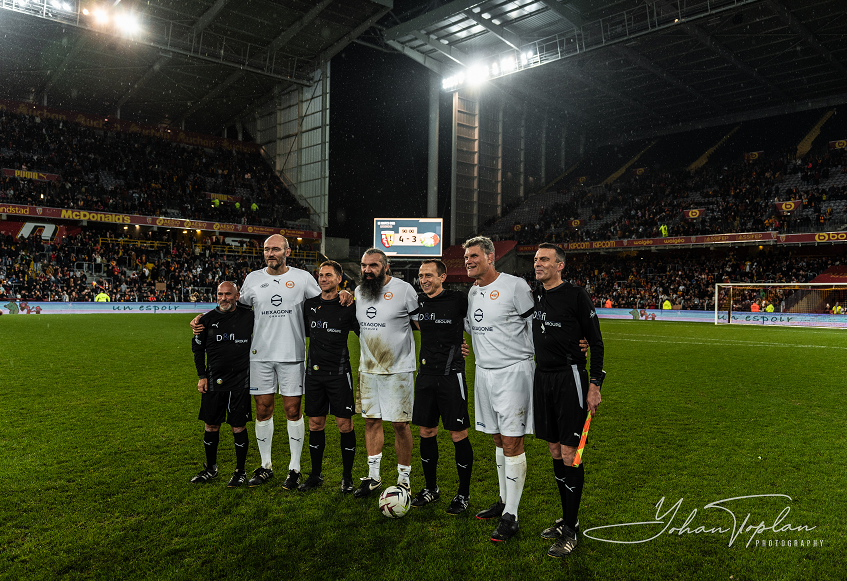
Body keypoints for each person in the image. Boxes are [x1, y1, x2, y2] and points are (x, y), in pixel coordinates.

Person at [190, 234, 352, 490]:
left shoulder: (302, 278)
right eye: (267, 249)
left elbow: (324, 296)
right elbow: (232, 306)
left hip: (292, 355)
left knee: (292, 411)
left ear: (287, 251)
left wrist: (345, 291)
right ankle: (266, 466)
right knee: (263, 411)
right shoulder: (253, 279)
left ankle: (294, 469)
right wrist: (204, 318)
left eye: (276, 249)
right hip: (260, 357)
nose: (270, 253)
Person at [531, 243, 604, 558]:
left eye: (544, 259)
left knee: (570, 452)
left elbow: (597, 341)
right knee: (554, 449)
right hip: (542, 377)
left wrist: (594, 385)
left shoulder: (576, 295)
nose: (538, 264)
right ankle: (566, 518)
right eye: (535, 259)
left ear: (560, 265)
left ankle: (571, 528)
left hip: (570, 377)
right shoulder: (533, 296)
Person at [464, 236, 534, 542]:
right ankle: (504, 501)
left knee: (512, 442)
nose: (468, 260)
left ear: (491, 257)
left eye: (474, 256)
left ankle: (512, 516)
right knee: (496, 438)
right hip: (484, 373)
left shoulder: (515, 286)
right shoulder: (472, 290)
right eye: (466, 257)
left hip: (513, 372)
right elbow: (474, 325)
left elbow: (536, 325)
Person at [353, 248, 419, 498]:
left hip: (398, 370)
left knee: (400, 424)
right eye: (364, 265)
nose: (367, 270)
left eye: (373, 266)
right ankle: (373, 477)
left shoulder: (404, 290)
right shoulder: (359, 292)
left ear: (385, 266)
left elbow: (422, 324)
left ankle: (404, 479)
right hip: (368, 370)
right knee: (371, 421)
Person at [410, 259, 474, 515]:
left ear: (443, 277)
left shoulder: (459, 299)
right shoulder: (417, 301)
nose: (423, 280)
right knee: (426, 432)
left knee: (458, 434)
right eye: (420, 275)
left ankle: (463, 494)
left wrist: (469, 346)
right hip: (425, 375)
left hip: (451, 375)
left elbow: (481, 324)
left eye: (428, 275)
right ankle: (431, 489)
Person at [299, 260, 360, 493]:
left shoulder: (348, 305)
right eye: (320, 275)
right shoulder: (310, 305)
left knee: (344, 425)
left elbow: (365, 331)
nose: (323, 279)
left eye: (328, 275)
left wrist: (350, 294)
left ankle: (347, 477)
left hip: (339, 374)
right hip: (314, 375)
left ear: (338, 279)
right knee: (315, 424)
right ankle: (315, 475)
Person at [189, 281, 254, 487]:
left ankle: (240, 471)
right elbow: (198, 350)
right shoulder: (206, 321)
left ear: (237, 296)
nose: (223, 298)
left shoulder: (249, 316)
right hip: (213, 380)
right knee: (211, 425)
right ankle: (210, 469)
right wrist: (201, 375)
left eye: (228, 294)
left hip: (240, 380)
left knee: (238, 426)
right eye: (220, 294)